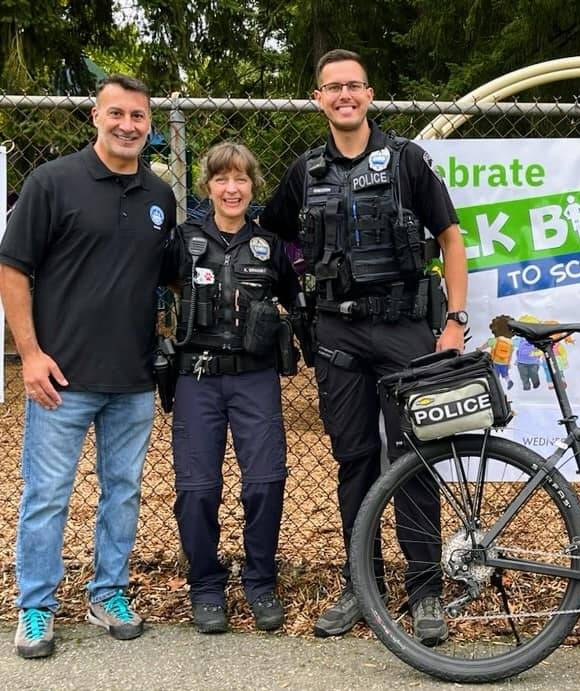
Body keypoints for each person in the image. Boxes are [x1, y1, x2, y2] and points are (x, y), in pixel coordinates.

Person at [261, 48, 468, 646]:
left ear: (369, 94)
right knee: (354, 461)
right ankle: (361, 583)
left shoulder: (407, 161)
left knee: (416, 459)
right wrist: (297, 294)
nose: (344, 95)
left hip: (407, 331)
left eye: (353, 86)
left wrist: (454, 319)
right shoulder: (305, 172)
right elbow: (272, 238)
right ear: (319, 98)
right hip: (337, 335)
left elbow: (451, 239)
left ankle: (425, 589)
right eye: (333, 87)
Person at [0, 75, 177, 659]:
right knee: (47, 494)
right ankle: (36, 608)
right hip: (60, 378)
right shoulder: (53, 182)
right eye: (117, 114)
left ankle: (108, 594)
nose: (128, 125)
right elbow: (13, 270)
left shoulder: (160, 196)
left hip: (131, 379)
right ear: (95, 116)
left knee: (122, 492)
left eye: (139, 117)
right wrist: (29, 354)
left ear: (149, 125)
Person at [161, 142, 300, 634]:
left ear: (253, 185)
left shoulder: (270, 245)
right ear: (208, 186)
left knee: (265, 482)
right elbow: (158, 287)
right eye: (222, 179)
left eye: (241, 178)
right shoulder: (184, 239)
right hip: (197, 378)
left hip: (255, 378)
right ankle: (206, 586)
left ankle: (260, 581)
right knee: (197, 490)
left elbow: (297, 301)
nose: (232, 188)